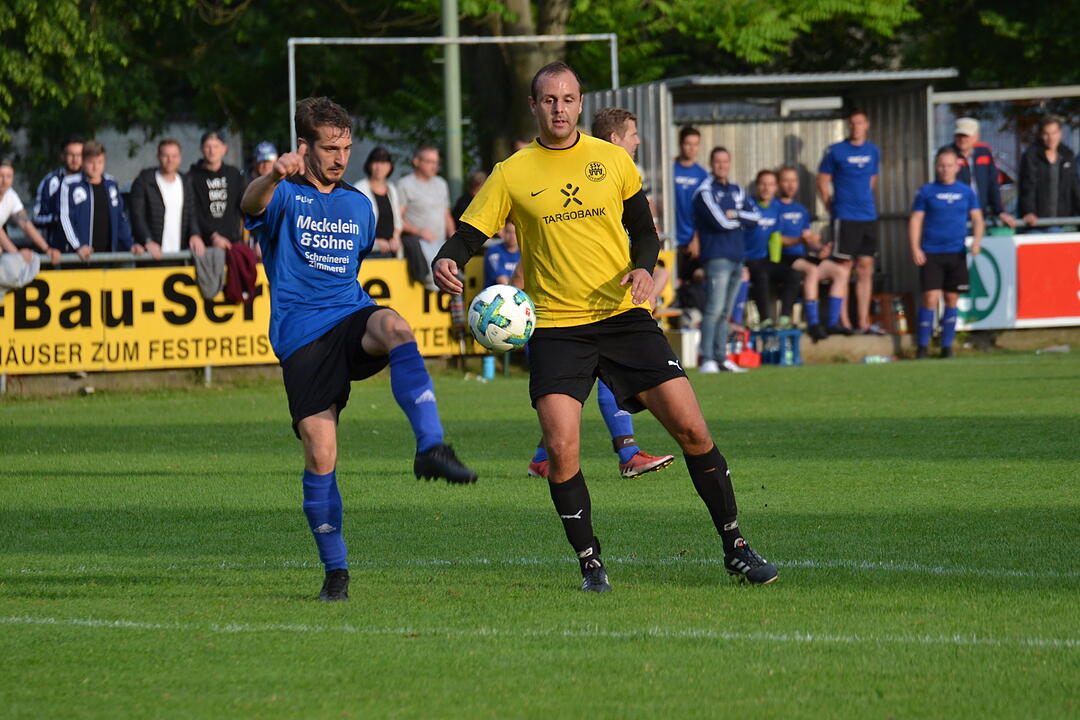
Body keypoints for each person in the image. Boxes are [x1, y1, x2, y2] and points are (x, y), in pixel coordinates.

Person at [433, 62, 777, 591]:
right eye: (549, 100)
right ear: (534, 106)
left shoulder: (612, 159)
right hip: (556, 329)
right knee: (561, 449)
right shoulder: (512, 172)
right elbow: (469, 234)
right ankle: (591, 564)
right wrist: (447, 257)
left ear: (580, 103)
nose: (560, 109)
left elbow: (644, 230)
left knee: (692, 430)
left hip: (623, 318)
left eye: (568, 99)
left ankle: (736, 547)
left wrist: (644, 267)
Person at [240, 97, 477, 603]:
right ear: (304, 146)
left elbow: (355, 263)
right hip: (302, 338)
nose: (340, 157)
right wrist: (272, 175)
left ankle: (431, 447)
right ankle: (336, 573)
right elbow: (251, 205)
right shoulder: (283, 193)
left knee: (396, 326)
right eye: (330, 148)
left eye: (346, 147)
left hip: (350, 315)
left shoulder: (358, 204)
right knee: (321, 454)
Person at [519, 106, 676, 481]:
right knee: (603, 377)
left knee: (579, 393)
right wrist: (518, 298)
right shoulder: (574, 179)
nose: (638, 141)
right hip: (572, 313)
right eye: (633, 134)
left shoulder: (622, 179)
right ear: (615, 139)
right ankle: (628, 453)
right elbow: (539, 250)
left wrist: (646, 273)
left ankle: (543, 458)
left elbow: (642, 238)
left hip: (609, 300)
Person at [910, 148, 984, 359]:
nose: (945, 169)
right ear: (936, 167)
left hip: (956, 253)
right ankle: (922, 347)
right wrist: (915, 247)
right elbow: (916, 219)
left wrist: (977, 241)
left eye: (949, 165)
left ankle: (947, 346)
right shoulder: (926, 191)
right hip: (931, 253)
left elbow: (977, 219)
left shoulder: (966, 191)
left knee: (951, 298)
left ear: (957, 167)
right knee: (930, 298)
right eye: (941, 165)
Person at [817, 108, 884, 335]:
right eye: (852, 123)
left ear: (867, 125)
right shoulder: (835, 151)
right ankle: (844, 321)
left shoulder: (873, 151)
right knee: (843, 268)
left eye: (860, 123)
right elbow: (822, 181)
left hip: (868, 216)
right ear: (848, 126)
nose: (856, 127)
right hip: (845, 217)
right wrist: (831, 205)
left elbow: (872, 180)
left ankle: (863, 322)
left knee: (865, 267)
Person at [692, 146, 759, 373]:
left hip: (737, 256)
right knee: (714, 309)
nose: (722, 165)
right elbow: (720, 222)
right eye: (718, 161)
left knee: (725, 311)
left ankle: (721, 357)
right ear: (711, 164)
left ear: (730, 163)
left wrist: (737, 214)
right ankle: (707, 357)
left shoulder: (737, 190)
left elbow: (755, 217)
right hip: (717, 257)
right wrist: (739, 219)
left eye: (725, 161)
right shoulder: (704, 191)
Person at [58, 141, 136, 259]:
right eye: (91, 162)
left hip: (107, 256)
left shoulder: (111, 184)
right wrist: (78, 246)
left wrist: (130, 244)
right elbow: (65, 218)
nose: (95, 167)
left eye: (100, 162)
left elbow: (120, 218)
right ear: (83, 162)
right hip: (80, 257)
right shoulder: (70, 184)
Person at [743, 169, 801, 329]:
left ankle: (784, 318)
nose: (766, 188)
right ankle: (765, 319)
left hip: (764, 258)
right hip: (747, 258)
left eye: (770, 185)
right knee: (761, 275)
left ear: (775, 187)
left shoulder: (776, 207)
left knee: (793, 274)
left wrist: (775, 263)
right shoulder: (748, 205)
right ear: (756, 186)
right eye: (763, 184)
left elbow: (775, 237)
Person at [776, 166, 829, 341]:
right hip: (783, 257)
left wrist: (821, 248)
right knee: (811, 270)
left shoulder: (801, 210)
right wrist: (800, 240)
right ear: (778, 184)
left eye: (794, 181)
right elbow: (776, 238)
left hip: (801, 256)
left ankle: (835, 323)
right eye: (786, 180)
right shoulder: (774, 207)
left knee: (840, 271)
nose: (790, 185)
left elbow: (808, 238)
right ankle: (813, 323)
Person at [128, 139, 201, 260]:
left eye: (174, 156)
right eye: (165, 156)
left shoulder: (186, 182)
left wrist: (195, 234)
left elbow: (192, 214)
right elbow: (137, 216)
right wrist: (147, 241)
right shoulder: (144, 181)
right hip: (151, 255)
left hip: (180, 255)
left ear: (180, 158)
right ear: (158, 156)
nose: (170, 160)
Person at [940, 118, 1016, 229]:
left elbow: (992, 183)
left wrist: (999, 211)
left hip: (981, 214)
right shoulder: (947, 154)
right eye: (959, 135)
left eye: (966, 135)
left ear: (976, 136)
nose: (962, 139)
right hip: (955, 216)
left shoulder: (984, 152)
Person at [399, 144, 455, 287]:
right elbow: (397, 218)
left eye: (436, 162)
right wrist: (418, 232)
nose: (434, 166)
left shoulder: (441, 184)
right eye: (429, 161)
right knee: (433, 281)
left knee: (452, 279)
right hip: (420, 245)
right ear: (416, 161)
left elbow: (446, 213)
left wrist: (454, 237)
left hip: (442, 244)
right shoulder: (405, 184)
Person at [1018, 114, 1080, 230]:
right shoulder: (1031, 157)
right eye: (1046, 134)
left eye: (1054, 133)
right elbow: (1027, 187)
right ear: (1040, 135)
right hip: (1037, 224)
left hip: (1063, 223)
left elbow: (1075, 187)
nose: (1051, 138)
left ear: (1060, 133)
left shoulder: (1067, 156)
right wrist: (1029, 212)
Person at [189, 130, 245, 252]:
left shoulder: (234, 175)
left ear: (224, 149)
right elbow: (193, 212)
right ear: (201, 149)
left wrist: (258, 238)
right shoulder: (192, 177)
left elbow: (245, 207)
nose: (212, 151)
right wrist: (212, 236)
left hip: (232, 243)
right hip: (203, 246)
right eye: (208, 146)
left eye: (216, 146)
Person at [673, 126, 709, 316]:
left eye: (696, 144)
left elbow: (704, 211)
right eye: (688, 144)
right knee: (673, 282)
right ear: (680, 144)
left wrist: (697, 237)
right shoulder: (669, 169)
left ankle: (694, 318)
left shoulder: (703, 175)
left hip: (691, 238)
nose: (692, 148)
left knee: (697, 277)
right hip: (671, 237)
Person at [0, 159, 60, 264]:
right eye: (1, 176)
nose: (5, 181)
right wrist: (16, 255)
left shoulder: (10, 195)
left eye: (9, 176)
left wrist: (47, 249)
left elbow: (26, 224)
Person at [33, 136, 83, 250]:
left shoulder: (90, 182)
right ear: (62, 156)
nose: (75, 159)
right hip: (59, 251)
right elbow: (36, 218)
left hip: (88, 249)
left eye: (79, 155)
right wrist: (58, 218)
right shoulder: (50, 181)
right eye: (71, 155)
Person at [354, 146, 403, 258]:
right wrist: (375, 242)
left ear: (390, 166)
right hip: (368, 252)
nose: (379, 167)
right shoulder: (360, 188)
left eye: (383, 163)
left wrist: (395, 238)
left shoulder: (392, 189)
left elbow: (397, 221)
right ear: (369, 165)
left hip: (391, 251)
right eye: (376, 162)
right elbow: (356, 224)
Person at [484, 220, 520, 286]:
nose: (512, 236)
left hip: (516, 290)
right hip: (498, 291)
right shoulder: (494, 252)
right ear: (503, 233)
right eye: (509, 232)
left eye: (515, 233)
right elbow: (502, 281)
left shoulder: (523, 253)